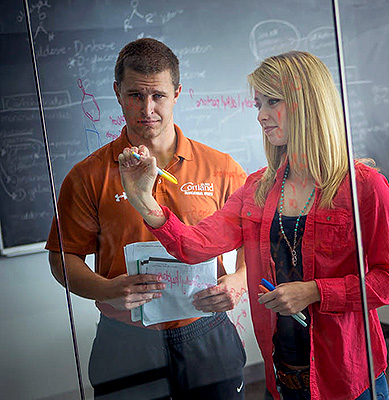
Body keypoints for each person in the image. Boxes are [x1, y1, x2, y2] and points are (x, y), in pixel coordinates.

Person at [118, 51, 389, 400]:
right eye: (258, 103)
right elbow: (193, 246)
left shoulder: (364, 186)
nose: (260, 115)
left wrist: (315, 291)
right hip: (283, 375)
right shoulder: (257, 187)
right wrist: (143, 200)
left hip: (346, 377)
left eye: (272, 101)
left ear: (308, 103)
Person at [45, 38, 248, 399]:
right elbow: (63, 258)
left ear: (177, 93)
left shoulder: (221, 168)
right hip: (125, 337)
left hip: (205, 330)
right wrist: (106, 289)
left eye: (158, 96)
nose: (147, 108)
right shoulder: (87, 176)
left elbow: (257, 239)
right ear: (117, 93)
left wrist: (238, 281)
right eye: (135, 95)